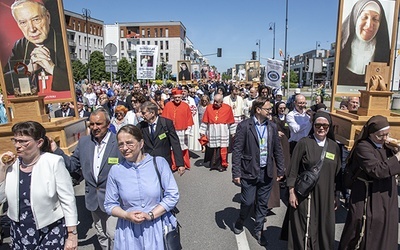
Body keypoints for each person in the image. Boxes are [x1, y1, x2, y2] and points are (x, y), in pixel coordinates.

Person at [0, 121, 78, 249]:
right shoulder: (11, 165)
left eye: (23, 141)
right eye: (15, 140)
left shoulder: (53, 162)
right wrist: (2, 169)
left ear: (39, 142)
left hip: (49, 230)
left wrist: (72, 234)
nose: (17, 145)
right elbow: (1, 198)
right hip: (20, 231)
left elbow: (68, 200)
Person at [53, 107, 121, 249]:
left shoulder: (119, 142)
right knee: (101, 233)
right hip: (93, 199)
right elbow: (72, 165)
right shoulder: (84, 142)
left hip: (114, 199)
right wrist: (56, 150)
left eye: (98, 124)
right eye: (91, 124)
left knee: (114, 233)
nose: (94, 128)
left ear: (108, 124)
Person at [104, 124, 179, 249]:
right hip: (128, 230)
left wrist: (151, 214)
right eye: (121, 144)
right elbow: (109, 204)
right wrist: (126, 215)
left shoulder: (159, 163)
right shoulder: (116, 170)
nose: (125, 148)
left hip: (156, 226)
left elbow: (173, 195)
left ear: (141, 143)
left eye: (129, 143)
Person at [338, 115, 400, 250]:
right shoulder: (363, 147)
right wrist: (398, 157)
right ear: (371, 134)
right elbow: (378, 170)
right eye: (380, 135)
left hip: (387, 194)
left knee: (386, 224)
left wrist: (395, 149)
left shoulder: (388, 146)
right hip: (368, 194)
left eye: (386, 134)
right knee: (362, 226)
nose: (384, 138)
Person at [232, 97, 285, 246]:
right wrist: (236, 172)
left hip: (266, 171)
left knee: (262, 204)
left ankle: (259, 230)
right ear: (258, 110)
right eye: (267, 109)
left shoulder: (272, 127)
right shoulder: (244, 126)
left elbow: (277, 150)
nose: (270, 111)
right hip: (249, 170)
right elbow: (237, 150)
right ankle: (241, 220)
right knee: (248, 201)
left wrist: (281, 169)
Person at [285, 112, 341, 250]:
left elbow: (338, 175)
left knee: (323, 226)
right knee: (306, 225)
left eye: (325, 125)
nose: (321, 128)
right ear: (313, 125)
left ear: (329, 127)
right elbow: (293, 169)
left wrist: (336, 195)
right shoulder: (304, 143)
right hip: (306, 195)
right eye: (318, 125)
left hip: (326, 196)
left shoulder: (334, 147)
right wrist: (291, 191)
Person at [4, 0, 69, 95]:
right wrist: (28, 69)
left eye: (36, 19)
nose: (31, 29)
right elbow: (6, 82)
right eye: (23, 22)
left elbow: (73, 83)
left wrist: (51, 68)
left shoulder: (63, 42)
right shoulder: (20, 45)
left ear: (48, 17)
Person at [338, 0, 390, 87]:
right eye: (365, 17)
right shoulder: (341, 47)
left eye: (375, 19)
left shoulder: (384, 52)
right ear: (356, 18)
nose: (369, 25)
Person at [137, 101, 185, 176]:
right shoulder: (140, 126)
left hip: (164, 162)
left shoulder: (166, 123)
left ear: (152, 113)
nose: (141, 116)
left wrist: (180, 164)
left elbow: (175, 143)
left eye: (144, 113)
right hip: (148, 164)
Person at [199, 94, 236, 172]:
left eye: (217, 102)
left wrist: (233, 132)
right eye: (214, 101)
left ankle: (222, 165)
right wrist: (202, 131)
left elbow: (231, 122)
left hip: (223, 131)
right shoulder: (209, 108)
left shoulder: (227, 108)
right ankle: (213, 164)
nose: (215, 103)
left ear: (221, 102)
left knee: (222, 148)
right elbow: (205, 121)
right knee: (213, 148)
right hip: (212, 131)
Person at [162, 88, 194, 171]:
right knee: (172, 148)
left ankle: (184, 163)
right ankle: (174, 165)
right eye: (175, 97)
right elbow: (164, 118)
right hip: (172, 131)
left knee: (183, 147)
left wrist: (188, 129)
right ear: (173, 97)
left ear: (181, 97)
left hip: (182, 130)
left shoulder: (185, 105)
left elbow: (189, 118)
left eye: (179, 97)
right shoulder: (168, 105)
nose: (177, 99)